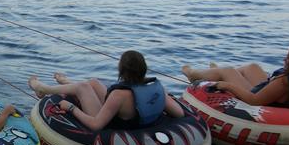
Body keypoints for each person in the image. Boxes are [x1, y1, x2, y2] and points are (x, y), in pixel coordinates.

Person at [28, 50, 184, 131]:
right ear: (143, 69)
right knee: (94, 83)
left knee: (83, 88)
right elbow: (179, 113)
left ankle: (44, 89)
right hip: (132, 115)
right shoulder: (157, 88)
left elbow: (96, 125)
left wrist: (71, 108)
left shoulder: (119, 94)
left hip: (115, 124)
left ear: (121, 69)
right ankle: (66, 82)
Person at [181, 44, 289, 107]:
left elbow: (254, 100)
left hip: (256, 97)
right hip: (269, 91)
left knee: (228, 71)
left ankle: (193, 74)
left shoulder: (285, 82)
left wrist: (226, 85)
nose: (285, 60)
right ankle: (215, 73)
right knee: (252, 67)